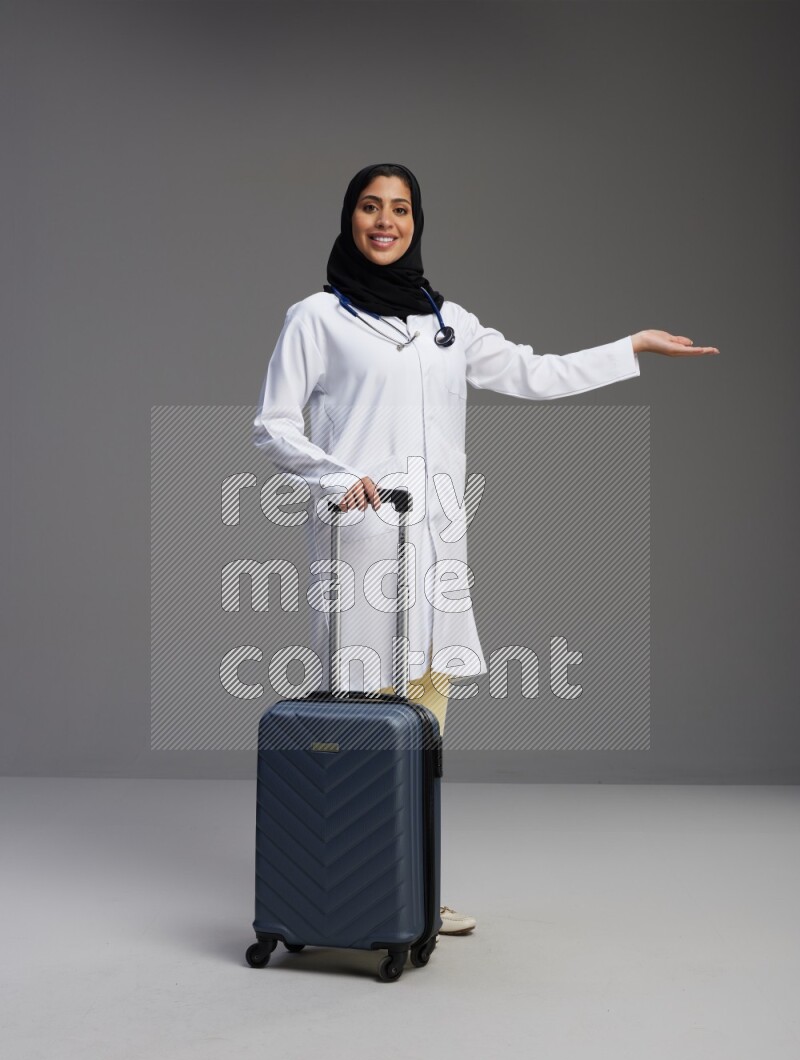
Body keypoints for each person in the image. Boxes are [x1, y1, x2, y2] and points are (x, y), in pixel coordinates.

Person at [253, 162, 719, 936]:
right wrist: (337, 477)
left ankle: (411, 887)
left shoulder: (448, 322)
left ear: (416, 221)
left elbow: (535, 374)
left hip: (436, 545)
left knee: (426, 721)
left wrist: (628, 346)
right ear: (349, 218)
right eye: (370, 207)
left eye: (400, 209)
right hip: (365, 542)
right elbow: (274, 423)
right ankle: (351, 890)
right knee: (364, 714)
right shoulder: (317, 317)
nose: (385, 221)